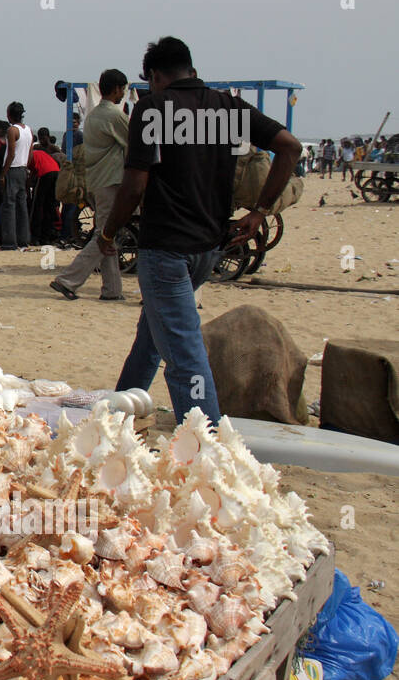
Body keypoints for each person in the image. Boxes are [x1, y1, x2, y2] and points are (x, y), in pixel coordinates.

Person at [99, 37, 300, 425]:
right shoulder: (229, 108)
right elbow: (290, 148)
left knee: (184, 356)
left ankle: (206, 445)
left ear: (156, 76)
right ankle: (118, 413)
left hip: (166, 248)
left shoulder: (152, 109)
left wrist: (108, 233)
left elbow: (135, 186)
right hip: (209, 248)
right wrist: (259, 212)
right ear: (190, 69)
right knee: (155, 333)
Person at [51, 68, 131, 301]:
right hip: (111, 182)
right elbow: (134, 144)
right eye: (123, 90)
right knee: (105, 235)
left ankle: (112, 290)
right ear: (117, 89)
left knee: (109, 235)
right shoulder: (115, 115)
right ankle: (68, 280)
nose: (123, 94)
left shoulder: (94, 115)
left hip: (96, 181)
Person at [0, 102, 33, 249]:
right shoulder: (28, 130)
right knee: (22, 206)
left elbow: (11, 154)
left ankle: (9, 242)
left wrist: (3, 173)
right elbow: (30, 152)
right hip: (23, 169)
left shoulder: (12, 130)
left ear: (10, 115)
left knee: (9, 206)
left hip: (12, 169)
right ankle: (23, 239)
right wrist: (27, 168)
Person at [28, 130, 61, 244]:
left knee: (37, 205)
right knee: (50, 205)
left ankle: (35, 236)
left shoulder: (30, 154)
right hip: (56, 172)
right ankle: (47, 236)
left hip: (45, 174)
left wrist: (28, 186)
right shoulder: (42, 153)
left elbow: (32, 173)